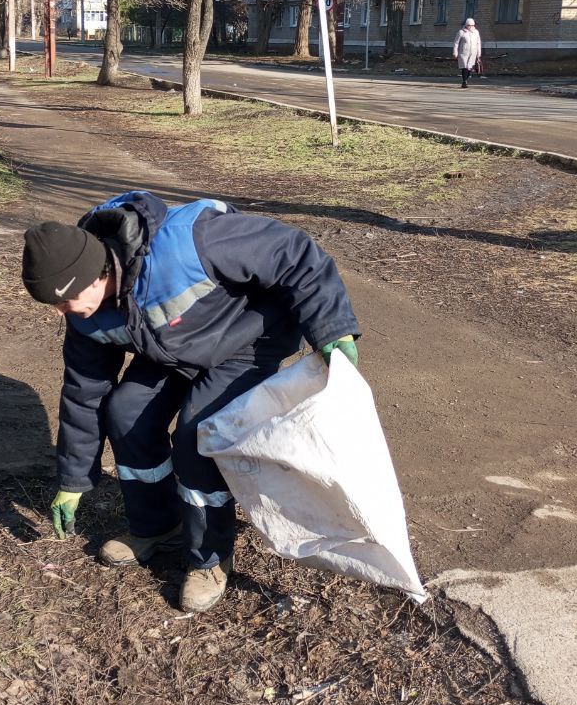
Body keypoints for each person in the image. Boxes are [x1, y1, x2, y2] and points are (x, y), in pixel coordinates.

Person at [21, 190, 359, 614]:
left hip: (247, 341)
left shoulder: (193, 241)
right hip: (173, 350)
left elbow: (293, 252)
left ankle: (210, 558)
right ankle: (158, 525)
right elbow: (85, 390)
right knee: (126, 414)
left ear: (94, 276)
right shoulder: (86, 314)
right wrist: (73, 480)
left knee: (198, 432)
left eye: (62, 300)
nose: (60, 313)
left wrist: (333, 330)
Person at [453, 16, 482, 88]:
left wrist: (479, 53)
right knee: (464, 67)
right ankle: (464, 81)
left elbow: (478, 43)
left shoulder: (476, 32)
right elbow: (456, 43)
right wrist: (455, 52)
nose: (470, 27)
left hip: (473, 53)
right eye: (469, 25)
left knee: (469, 68)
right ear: (466, 25)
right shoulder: (461, 32)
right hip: (463, 53)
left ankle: (466, 79)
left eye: (472, 25)